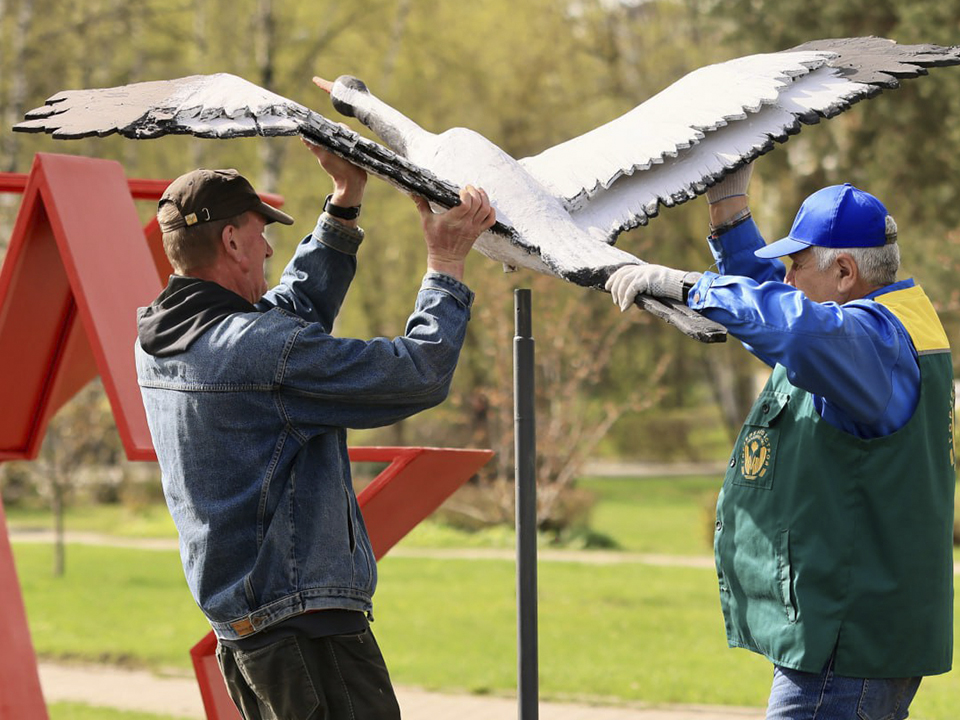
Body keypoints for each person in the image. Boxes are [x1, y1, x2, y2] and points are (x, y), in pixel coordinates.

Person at [135, 137, 495, 720]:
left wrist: (345, 202)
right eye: (259, 235)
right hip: (306, 631)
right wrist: (446, 266)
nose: (270, 246)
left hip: (253, 633)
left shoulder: (163, 339)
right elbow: (418, 374)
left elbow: (284, 317)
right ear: (231, 241)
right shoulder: (255, 353)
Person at [605, 165, 955, 720]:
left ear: (844, 271)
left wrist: (691, 286)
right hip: (859, 633)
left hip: (848, 645)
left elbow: (790, 322)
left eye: (796, 263)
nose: (786, 277)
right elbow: (779, 308)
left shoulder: (867, 342)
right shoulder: (891, 322)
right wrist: (729, 211)